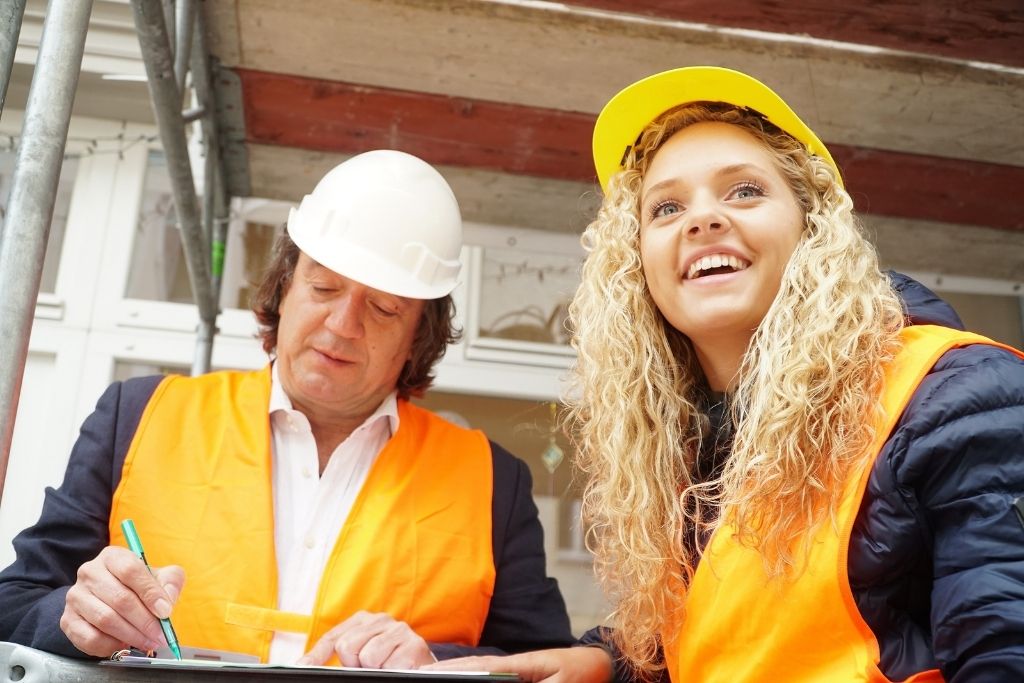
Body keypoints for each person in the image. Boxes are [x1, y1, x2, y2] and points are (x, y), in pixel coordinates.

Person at [427, 67, 1024, 681]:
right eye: (666, 207)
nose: (703, 219)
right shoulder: (693, 441)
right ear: (636, 264)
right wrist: (609, 661)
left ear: (812, 229)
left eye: (743, 191)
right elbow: (728, 641)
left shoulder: (956, 396)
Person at [0, 149, 573, 668]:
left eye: (382, 308)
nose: (343, 326)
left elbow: (544, 662)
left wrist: (437, 664)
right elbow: (14, 605)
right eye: (323, 289)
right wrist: (75, 618)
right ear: (283, 288)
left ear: (419, 337)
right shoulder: (140, 415)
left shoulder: (493, 482)